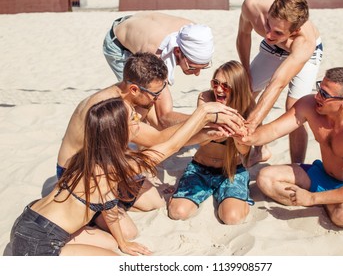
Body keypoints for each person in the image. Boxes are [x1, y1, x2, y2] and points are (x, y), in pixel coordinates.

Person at [10, 96, 239, 256]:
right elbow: (170, 146)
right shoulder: (112, 167)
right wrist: (202, 113)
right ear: (119, 131)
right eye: (132, 119)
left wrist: (123, 242)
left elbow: (107, 206)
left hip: (28, 222)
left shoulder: (92, 154)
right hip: (37, 244)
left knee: (112, 244)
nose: (138, 120)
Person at [56, 52, 245, 238]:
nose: (157, 99)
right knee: (129, 233)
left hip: (105, 166)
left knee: (154, 202)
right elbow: (159, 140)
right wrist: (202, 117)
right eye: (155, 94)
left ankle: (114, 198)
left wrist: (205, 130)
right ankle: (91, 213)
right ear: (134, 89)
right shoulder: (113, 110)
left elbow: (161, 130)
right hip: (77, 176)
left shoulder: (128, 95)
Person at [237, 67, 343, 228]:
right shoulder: (309, 104)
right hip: (321, 174)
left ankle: (321, 200)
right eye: (320, 88)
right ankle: (326, 201)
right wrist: (247, 137)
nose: (318, 96)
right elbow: (274, 130)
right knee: (265, 178)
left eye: (325, 95)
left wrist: (312, 198)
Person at [236, 0, 323, 164]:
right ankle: (260, 151)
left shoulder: (304, 42)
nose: (268, 34)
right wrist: (245, 70)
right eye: (268, 25)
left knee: (295, 108)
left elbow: (277, 83)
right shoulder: (252, 6)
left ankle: (296, 166)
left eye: (277, 32)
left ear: (294, 31)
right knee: (245, 94)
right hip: (273, 49)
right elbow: (243, 35)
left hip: (305, 55)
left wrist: (252, 122)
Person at [168, 61, 255, 225]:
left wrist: (238, 136)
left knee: (231, 218)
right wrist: (217, 130)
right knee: (177, 212)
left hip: (231, 170)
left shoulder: (248, 107)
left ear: (237, 87)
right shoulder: (206, 99)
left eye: (225, 86)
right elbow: (202, 137)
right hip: (201, 168)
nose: (218, 89)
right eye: (215, 83)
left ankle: (236, 196)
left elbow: (244, 151)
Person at [103, 11, 214, 129]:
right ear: (177, 51)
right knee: (141, 99)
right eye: (192, 67)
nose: (197, 74)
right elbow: (164, 116)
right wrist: (205, 119)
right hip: (118, 43)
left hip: (137, 26)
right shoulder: (155, 54)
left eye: (203, 67)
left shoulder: (195, 34)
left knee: (152, 100)